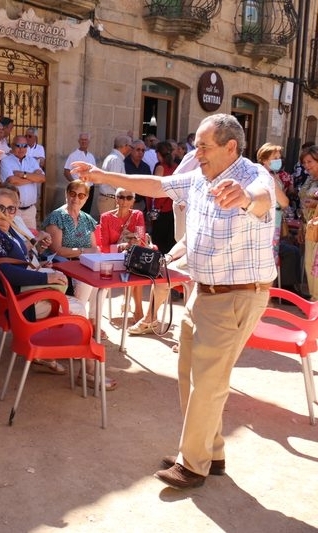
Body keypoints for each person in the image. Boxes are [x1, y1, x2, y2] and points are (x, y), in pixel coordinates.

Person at [72, 113, 276, 489]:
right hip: (203, 291)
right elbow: (157, 184)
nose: (195, 152)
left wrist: (245, 198)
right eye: (196, 145)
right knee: (190, 375)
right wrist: (103, 177)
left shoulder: (252, 176)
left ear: (231, 147)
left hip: (236, 295)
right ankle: (210, 451)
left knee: (209, 381)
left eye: (203, 146)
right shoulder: (201, 175)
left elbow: (265, 199)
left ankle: (193, 464)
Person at [0, 186, 75, 375]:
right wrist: (45, 276)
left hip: (16, 294)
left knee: (67, 289)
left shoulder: (2, 230)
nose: (5, 213)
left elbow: (16, 261)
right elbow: (7, 271)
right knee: (78, 308)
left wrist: (40, 262)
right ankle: (82, 367)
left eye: (11, 208)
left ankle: (46, 349)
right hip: (17, 302)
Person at [41, 181, 117, 390]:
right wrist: (83, 252)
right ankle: (76, 328)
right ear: (67, 193)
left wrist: (83, 253)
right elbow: (58, 249)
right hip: (61, 265)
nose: (76, 198)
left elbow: (95, 247)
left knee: (100, 284)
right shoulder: (57, 216)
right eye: (72, 193)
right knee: (86, 282)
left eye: (81, 195)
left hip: (82, 264)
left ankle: (88, 327)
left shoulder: (88, 220)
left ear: (86, 198)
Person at [257, 143, 304, 298]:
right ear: (264, 159)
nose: (278, 160)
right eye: (274, 158)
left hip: (273, 221)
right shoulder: (268, 177)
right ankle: (267, 295)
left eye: (279, 157)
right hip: (270, 223)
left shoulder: (271, 175)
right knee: (269, 258)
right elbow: (283, 201)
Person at [99, 187, 147, 323]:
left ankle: (137, 310)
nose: (124, 201)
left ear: (133, 201)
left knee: (136, 266)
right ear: (115, 199)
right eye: (121, 197)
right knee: (135, 266)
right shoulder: (106, 217)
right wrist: (123, 246)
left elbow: (141, 239)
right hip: (113, 259)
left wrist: (134, 242)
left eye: (129, 198)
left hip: (133, 257)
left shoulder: (137, 215)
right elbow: (104, 247)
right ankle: (135, 310)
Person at [0, 134, 45, 230]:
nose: (22, 149)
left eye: (25, 146)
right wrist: (33, 178)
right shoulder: (6, 161)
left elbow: (42, 178)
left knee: (31, 240)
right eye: (18, 146)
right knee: (13, 241)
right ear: (12, 146)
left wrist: (23, 174)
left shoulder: (32, 161)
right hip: (13, 210)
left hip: (30, 210)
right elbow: (12, 181)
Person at [148, 140, 176, 254]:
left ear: (159, 154)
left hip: (161, 208)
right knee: (170, 240)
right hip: (172, 207)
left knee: (158, 240)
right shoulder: (176, 166)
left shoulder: (160, 167)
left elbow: (155, 188)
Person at [94, 134, 132, 218]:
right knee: (109, 228)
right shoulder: (115, 159)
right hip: (110, 200)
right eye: (130, 146)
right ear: (125, 146)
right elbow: (114, 181)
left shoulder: (115, 158)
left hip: (110, 199)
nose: (131, 149)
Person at [298, 145, 318, 299]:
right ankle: (313, 300)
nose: (306, 165)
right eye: (304, 162)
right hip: (309, 228)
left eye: (310, 161)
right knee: (309, 266)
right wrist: (301, 226)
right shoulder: (310, 180)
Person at [63, 132, 97, 214]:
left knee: (86, 212)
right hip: (77, 189)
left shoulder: (91, 156)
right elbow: (66, 171)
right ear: (79, 141)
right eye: (82, 140)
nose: (83, 142)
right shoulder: (73, 155)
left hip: (89, 188)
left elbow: (95, 172)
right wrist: (74, 183)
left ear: (88, 142)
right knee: (75, 211)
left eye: (85, 140)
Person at [125, 139, 152, 213]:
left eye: (143, 150)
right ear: (131, 150)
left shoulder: (145, 167)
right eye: (138, 150)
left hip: (140, 204)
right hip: (125, 203)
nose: (140, 152)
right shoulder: (123, 164)